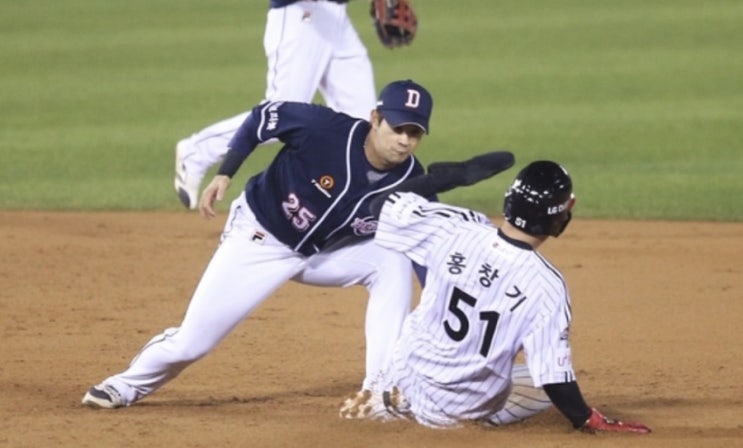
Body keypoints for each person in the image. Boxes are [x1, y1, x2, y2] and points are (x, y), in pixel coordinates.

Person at [82, 79, 434, 409]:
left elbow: (424, 243)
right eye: (397, 128)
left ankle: (381, 390)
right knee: (193, 341)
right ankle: (125, 385)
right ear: (376, 118)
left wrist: (434, 299)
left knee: (393, 261)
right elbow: (262, 117)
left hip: (322, 254)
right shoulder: (324, 128)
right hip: (261, 238)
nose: (404, 140)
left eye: (414, 133)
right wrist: (226, 171)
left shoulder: (413, 180)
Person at [339, 159, 652, 434]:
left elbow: (379, 205)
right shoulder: (546, 286)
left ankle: (381, 401)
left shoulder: (457, 227)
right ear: (559, 218)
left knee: (404, 370)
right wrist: (586, 418)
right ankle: (442, 427)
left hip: (405, 374)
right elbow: (556, 380)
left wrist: (445, 177)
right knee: (539, 382)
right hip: (454, 411)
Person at [175, 0, 378, 210]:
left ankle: (343, 209)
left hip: (336, 16)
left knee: (363, 123)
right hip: (301, 14)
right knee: (279, 115)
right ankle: (196, 152)